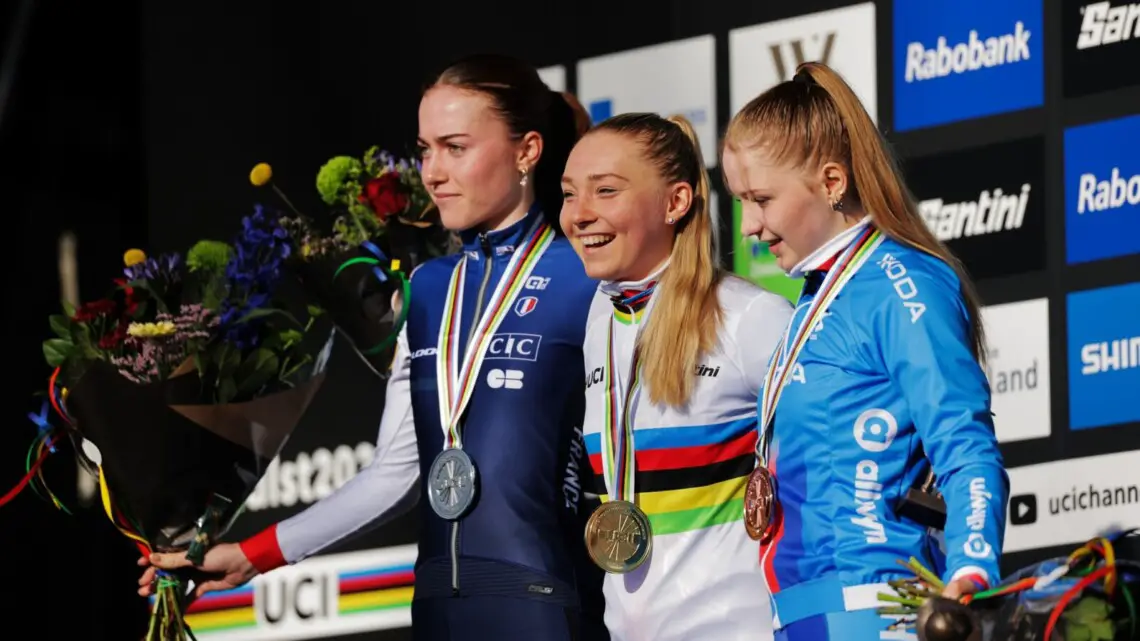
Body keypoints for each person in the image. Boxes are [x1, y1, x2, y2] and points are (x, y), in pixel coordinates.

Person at [139, 53, 609, 641]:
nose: (433, 172)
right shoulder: (430, 289)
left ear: (527, 151)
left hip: (549, 607)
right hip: (439, 609)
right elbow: (396, 472)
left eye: (455, 147)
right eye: (424, 149)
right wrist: (252, 554)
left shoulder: (588, 277)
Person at [719, 61, 1010, 640]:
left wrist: (972, 569)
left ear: (832, 182)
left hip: (876, 611)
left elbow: (965, 441)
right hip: (801, 616)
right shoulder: (815, 295)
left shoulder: (903, 281)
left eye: (762, 199)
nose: (748, 224)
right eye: (741, 200)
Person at [560, 111, 793, 641]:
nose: (579, 215)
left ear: (676, 202)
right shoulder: (600, 319)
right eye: (570, 194)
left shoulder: (749, 317)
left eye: (605, 191)